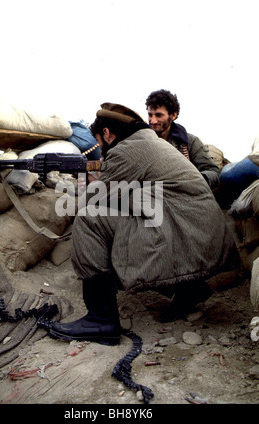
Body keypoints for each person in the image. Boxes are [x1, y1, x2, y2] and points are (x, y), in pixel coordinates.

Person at [48, 102, 240, 346]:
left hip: (187, 234)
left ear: (106, 134)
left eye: (98, 140)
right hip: (199, 237)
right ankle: (189, 290)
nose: (101, 148)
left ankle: (101, 319)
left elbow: (95, 199)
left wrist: (72, 186)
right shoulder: (150, 142)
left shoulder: (127, 150)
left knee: (89, 219)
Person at [145, 89, 220, 190]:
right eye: (150, 115)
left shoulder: (190, 142)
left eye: (159, 115)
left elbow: (213, 171)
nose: (153, 121)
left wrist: (195, 181)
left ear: (173, 115)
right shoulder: (143, 142)